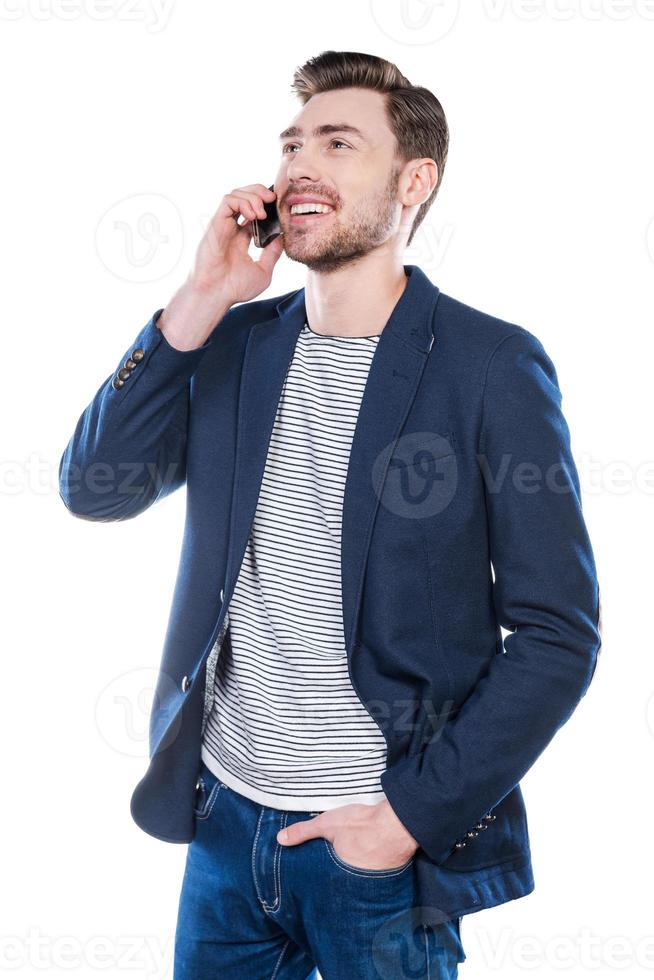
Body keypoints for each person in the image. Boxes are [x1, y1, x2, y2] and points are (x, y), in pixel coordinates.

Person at [59, 50, 601, 980]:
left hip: (372, 848)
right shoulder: (233, 345)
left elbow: (558, 634)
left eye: (339, 143)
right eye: (292, 143)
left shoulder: (489, 366)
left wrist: (407, 820)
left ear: (414, 181)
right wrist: (200, 298)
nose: (300, 165)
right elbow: (95, 487)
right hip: (223, 824)